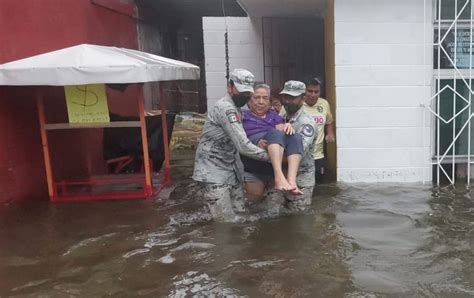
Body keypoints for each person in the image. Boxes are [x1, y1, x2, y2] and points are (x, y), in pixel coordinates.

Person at [192, 69, 269, 220]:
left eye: (247, 93)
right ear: (230, 87)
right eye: (241, 91)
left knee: (240, 213)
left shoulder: (237, 109)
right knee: (225, 221)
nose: (245, 96)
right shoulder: (226, 108)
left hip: (231, 170)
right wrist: (274, 157)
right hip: (212, 171)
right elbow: (243, 146)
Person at [240, 83, 304, 200]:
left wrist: (288, 126)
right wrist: (259, 144)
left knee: (294, 136)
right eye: (256, 97)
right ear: (249, 100)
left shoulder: (275, 116)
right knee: (253, 203)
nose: (261, 102)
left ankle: (291, 180)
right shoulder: (242, 116)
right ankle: (279, 177)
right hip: (252, 165)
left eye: (265, 98)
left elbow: (281, 134)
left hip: (270, 166)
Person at [267, 80, 317, 212]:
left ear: (303, 98)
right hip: (280, 177)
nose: (288, 101)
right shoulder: (280, 116)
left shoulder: (306, 124)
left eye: (293, 98)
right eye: (286, 97)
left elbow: (299, 154)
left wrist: (270, 156)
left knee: (298, 220)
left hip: (300, 181)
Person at [302, 77, 335, 183]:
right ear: (304, 91)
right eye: (310, 91)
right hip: (300, 155)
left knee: (319, 186)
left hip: (318, 155)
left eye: (316, 92)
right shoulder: (297, 104)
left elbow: (329, 120)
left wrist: (330, 133)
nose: (313, 95)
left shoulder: (324, 103)